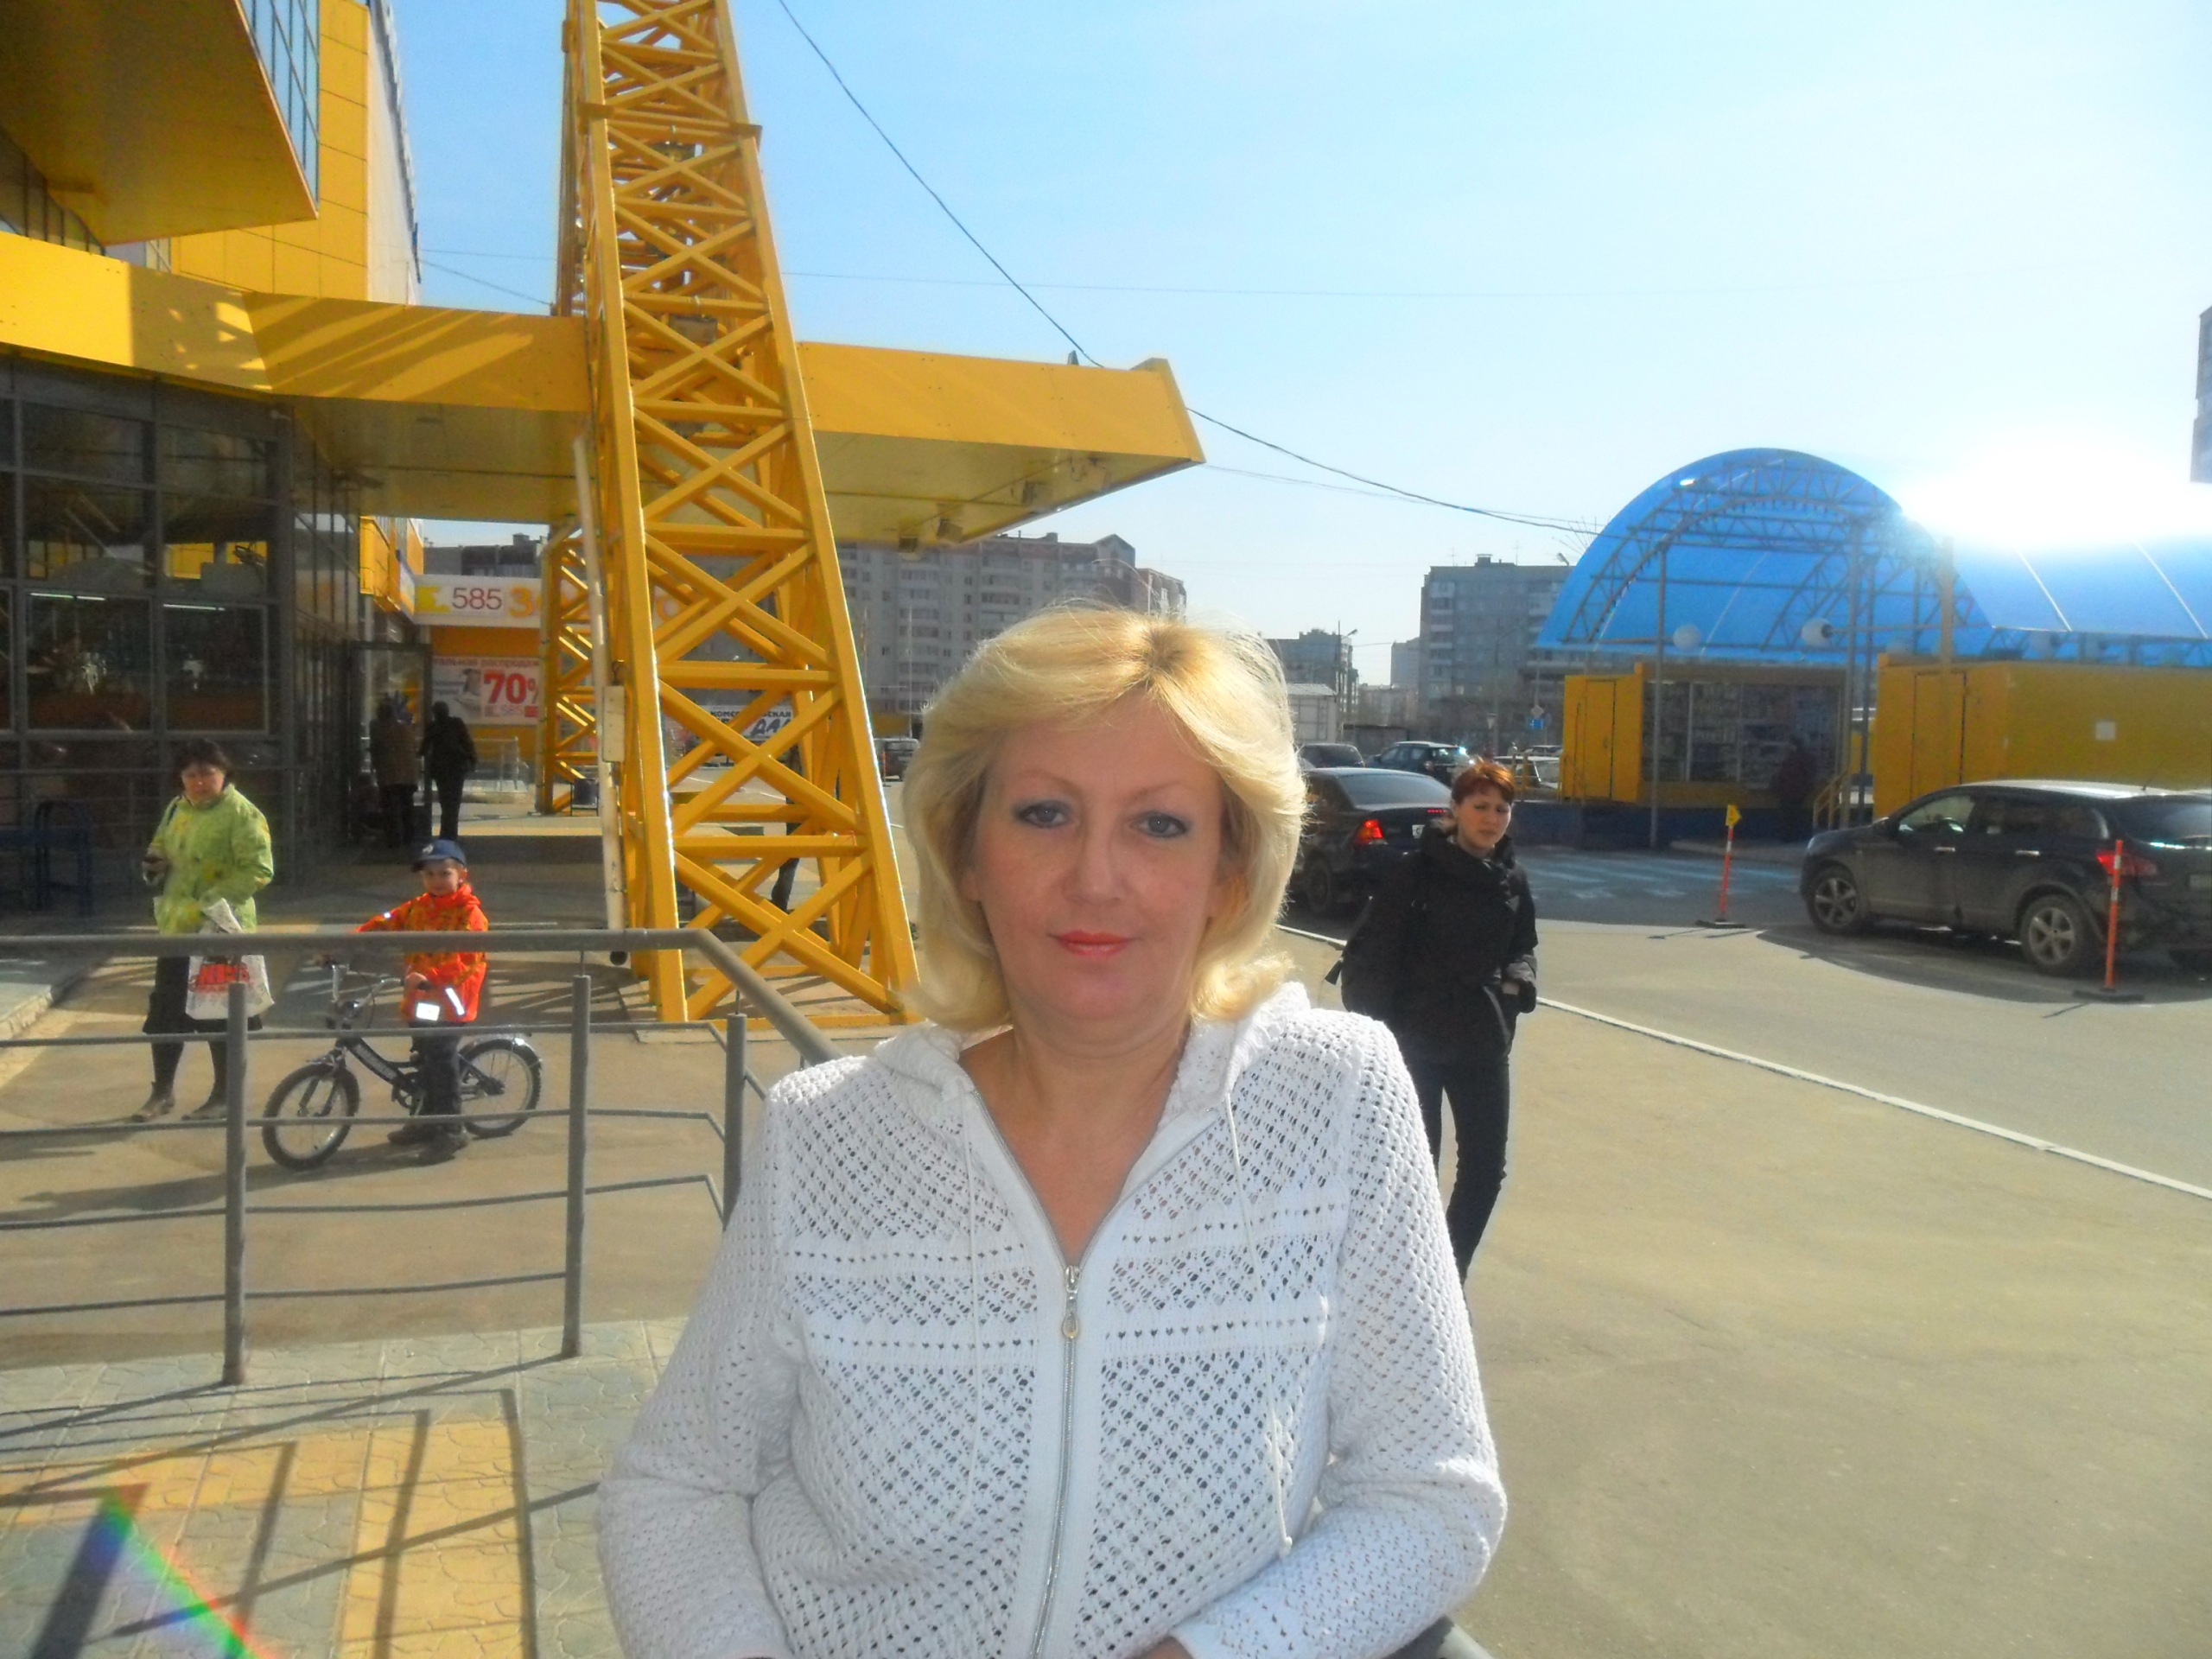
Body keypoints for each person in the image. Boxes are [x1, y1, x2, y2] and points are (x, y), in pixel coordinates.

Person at [598, 608, 1503, 1659]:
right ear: (965, 854)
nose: (1094, 878)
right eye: (1043, 814)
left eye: (1158, 824)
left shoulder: (1335, 1101)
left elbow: (1431, 1496)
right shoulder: (827, 1137)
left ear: (1228, 871)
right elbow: (678, 1484)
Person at [1338, 759, 1536, 1277]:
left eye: (1501, 809)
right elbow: (1379, 954)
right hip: (1416, 1042)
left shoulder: (1512, 878)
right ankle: (1410, 1276)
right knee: (1416, 1167)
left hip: (1483, 1041)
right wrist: (1381, 1036)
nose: (1491, 818)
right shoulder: (1415, 872)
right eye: (1480, 806)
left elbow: (1522, 945)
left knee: (1486, 1170)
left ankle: (1449, 1272)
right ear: (1455, 809)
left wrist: (1518, 981)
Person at [133, 741, 275, 1122]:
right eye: (191, 775)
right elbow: (159, 845)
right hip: (176, 927)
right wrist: (154, 864)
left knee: (220, 1014)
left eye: (208, 774)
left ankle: (224, 1095)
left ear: (224, 774)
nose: (199, 782)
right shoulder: (176, 808)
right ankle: (162, 1093)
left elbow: (259, 869)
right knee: (166, 1012)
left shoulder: (241, 813)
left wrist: (208, 903)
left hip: (220, 931)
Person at [353, 838, 488, 1166]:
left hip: (451, 1002)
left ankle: (452, 1129)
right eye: (429, 875)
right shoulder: (418, 907)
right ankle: (427, 1120)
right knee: (424, 1058)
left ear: (462, 874)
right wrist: (348, 943)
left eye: (444, 873)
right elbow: (386, 921)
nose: (436, 881)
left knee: (441, 1061)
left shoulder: (470, 914)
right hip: (422, 999)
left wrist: (431, 976)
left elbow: (466, 959)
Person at [420, 700, 477, 842]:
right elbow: (467, 742)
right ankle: (451, 833)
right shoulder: (457, 724)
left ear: (435, 713)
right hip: (457, 769)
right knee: (454, 803)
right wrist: (472, 759)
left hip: (441, 771)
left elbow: (424, 748)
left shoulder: (433, 727)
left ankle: (446, 833)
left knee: (445, 802)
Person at [369, 696, 421, 848]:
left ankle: (394, 838)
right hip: (409, 775)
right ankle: (409, 837)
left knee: (391, 808)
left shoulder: (380, 730)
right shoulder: (404, 729)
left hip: (389, 776)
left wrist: (375, 769)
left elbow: (376, 751)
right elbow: (413, 748)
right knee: (407, 806)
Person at [1771, 735, 1817, 842]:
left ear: (1794, 745)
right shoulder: (1807, 757)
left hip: (1789, 790)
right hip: (1800, 791)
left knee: (1787, 815)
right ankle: (1794, 836)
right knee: (1796, 814)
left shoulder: (1792, 759)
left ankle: (1787, 837)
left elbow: (1785, 774)